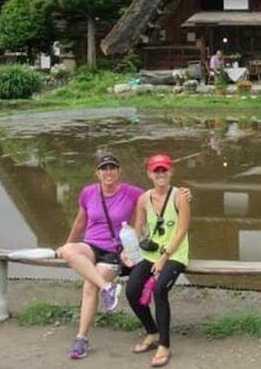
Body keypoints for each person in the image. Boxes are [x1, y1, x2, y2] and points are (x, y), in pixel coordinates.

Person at [57, 154, 143, 360]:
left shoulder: (132, 193)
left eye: (112, 167)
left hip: (114, 251)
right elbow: (80, 223)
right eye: (104, 168)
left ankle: (81, 338)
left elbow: (158, 197)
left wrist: (183, 194)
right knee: (68, 250)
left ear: (119, 171)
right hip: (90, 245)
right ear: (97, 173)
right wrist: (67, 245)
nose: (108, 172)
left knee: (89, 286)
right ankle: (108, 288)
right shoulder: (88, 193)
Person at [125, 153, 190, 368]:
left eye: (164, 170)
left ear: (171, 172)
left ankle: (164, 345)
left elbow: (181, 231)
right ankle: (152, 332)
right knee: (132, 290)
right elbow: (138, 228)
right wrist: (128, 249)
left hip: (175, 253)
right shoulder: (143, 199)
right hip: (151, 253)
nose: (160, 174)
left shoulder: (179, 196)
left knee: (159, 290)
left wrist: (165, 257)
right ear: (149, 174)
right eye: (156, 171)